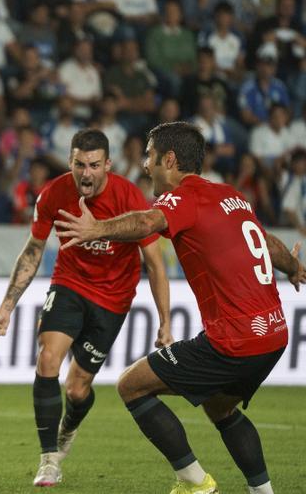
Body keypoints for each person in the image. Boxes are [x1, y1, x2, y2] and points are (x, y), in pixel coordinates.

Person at [54, 122, 305, 494]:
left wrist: (97, 229)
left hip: (234, 341)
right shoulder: (230, 195)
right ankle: (263, 492)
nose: (144, 165)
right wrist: (295, 268)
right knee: (221, 408)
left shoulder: (184, 197)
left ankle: (194, 482)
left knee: (131, 386)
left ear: (169, 160)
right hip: (273, 334)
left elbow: (145, 222)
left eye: (150, 156)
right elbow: (266, 241)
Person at [0, 128, 171, 487]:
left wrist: (164, 322)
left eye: (94, 165)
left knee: (77, 390)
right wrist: (7, 306)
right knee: (47, 358)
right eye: (79, 164)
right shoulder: (53, 194)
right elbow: (33, 250)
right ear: (69, 162)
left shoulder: (130, 197)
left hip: (113, 299)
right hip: (69, 285)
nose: (86, 173)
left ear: (108, 165)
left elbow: (155, 263)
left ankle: (68, 426)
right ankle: (48, 459)